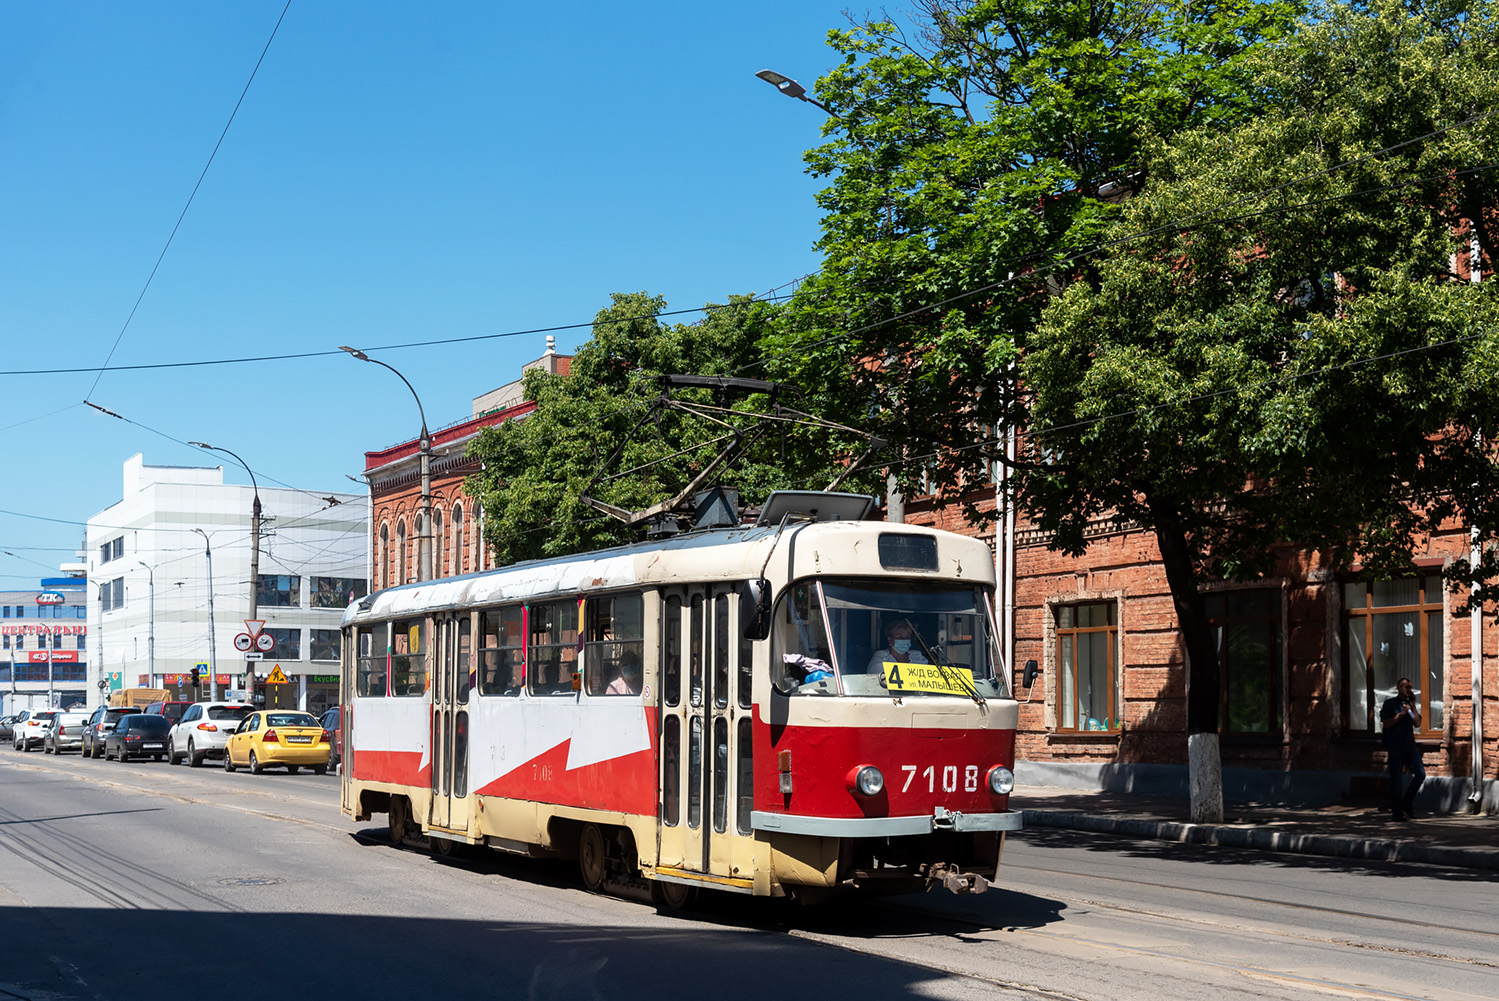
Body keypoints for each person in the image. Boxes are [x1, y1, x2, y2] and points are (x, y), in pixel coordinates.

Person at [1380, 676, 1426, 821]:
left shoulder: (1409, 705)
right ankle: (1397, 814)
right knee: (1396, 780)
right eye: (1406, 687)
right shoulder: (1390, 704)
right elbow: (1386, 723)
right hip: (1395, 746)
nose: (1409, 690)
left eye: (1410, 688)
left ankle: (1406, 802)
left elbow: (1417, 723)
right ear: (1399, 688)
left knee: (1420, 774)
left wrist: (1413, 706)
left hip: (1410, 746)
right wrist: (1401, 714)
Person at [865, 619, 929, 674]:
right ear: (889, 639)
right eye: (900, 637)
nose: (904, 640)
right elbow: (875, 680)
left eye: (907, 637)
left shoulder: (917, 655)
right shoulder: (881, 656)